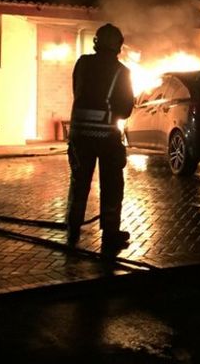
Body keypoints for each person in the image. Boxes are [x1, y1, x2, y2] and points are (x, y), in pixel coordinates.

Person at [66, 23, 135, 257]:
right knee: (112, 185)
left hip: (78, 135)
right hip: (106, 136)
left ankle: (73, 226)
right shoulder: (122, 72)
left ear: (96, 42)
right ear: (118, 45)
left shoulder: (82, 63)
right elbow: (125, 109)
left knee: (79, 181)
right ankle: (110, 233)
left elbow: (77, 91)